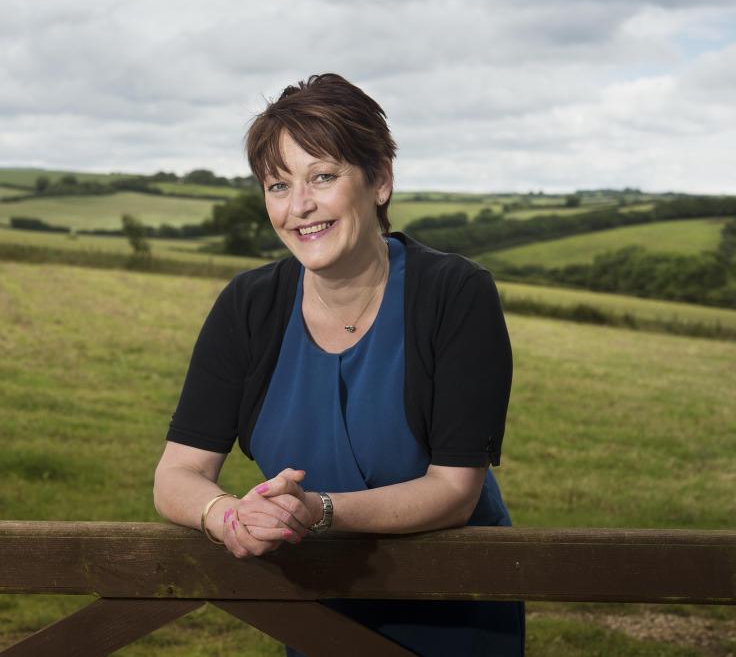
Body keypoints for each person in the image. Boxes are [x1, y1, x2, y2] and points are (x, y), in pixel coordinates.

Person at [153, 73, 524, 656]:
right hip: (313, 614)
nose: (299, 206)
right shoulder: (248, 306)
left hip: (451, 608)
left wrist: (317, 512)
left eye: (322, 177)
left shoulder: (454, 293)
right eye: (278, 185)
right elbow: (175, 476)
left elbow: (454, 490)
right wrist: (228, 516)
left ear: (380, 180)